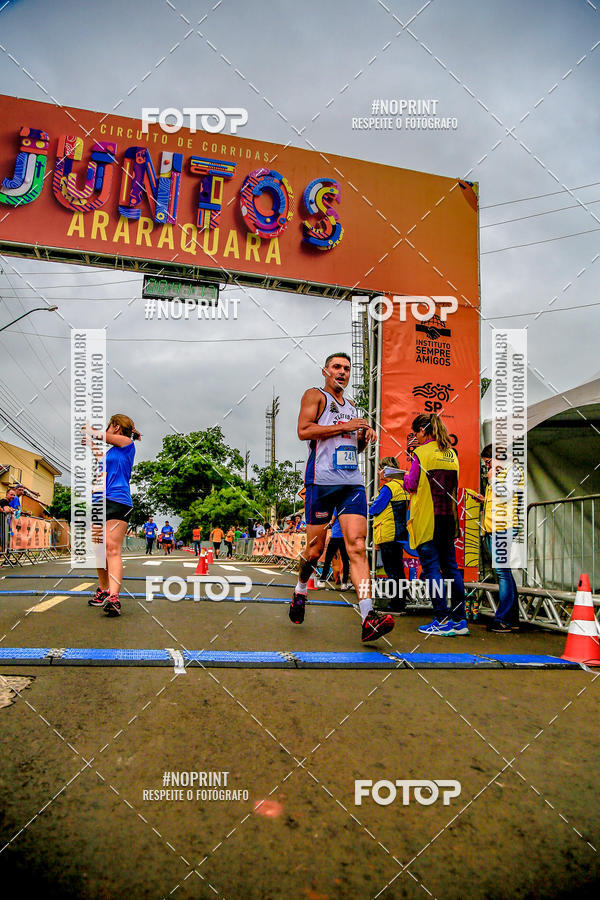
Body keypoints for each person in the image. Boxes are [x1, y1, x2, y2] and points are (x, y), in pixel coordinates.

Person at [291, 351, 394, 642]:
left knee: (358, 547)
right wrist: (345, 427)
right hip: (320, 483)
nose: (342, 372)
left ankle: (368, 616)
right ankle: (300, 589)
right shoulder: (316, 396)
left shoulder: (352, 407)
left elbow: (350, 448)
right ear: (325, 371)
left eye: (347, 368)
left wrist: (360, 439)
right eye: (336, 367)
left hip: (351, 484)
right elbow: (304, 430)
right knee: (314, 550)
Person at [403, 413, 468, 636]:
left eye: (416, 433)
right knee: (452, 568)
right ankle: (460, 620)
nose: (416, 438)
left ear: (423, 430)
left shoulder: (421, 454)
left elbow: (411, 484)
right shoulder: (452, 454)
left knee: (432, 569)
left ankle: (441, 619)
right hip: (448, 518)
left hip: (427, 520)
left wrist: (402, 477)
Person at [84, 414, 140, 617]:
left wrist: (90, 430)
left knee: (111, 548)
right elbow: (100, 455)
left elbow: (101, 437)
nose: (107, 429)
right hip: (101, 500)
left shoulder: (127, 444)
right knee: (99, 549)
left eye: (109, 426)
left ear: (116, 427)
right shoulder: (112, 452)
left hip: (118, 500)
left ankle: (114, 598)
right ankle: (103, 590)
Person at [474, 444, 524, 633]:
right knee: (504, 573)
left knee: (503, 573)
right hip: (493, 528)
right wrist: (484, 500)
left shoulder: (513, 470)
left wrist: (492, 481)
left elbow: (506, 495)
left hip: (503, 527)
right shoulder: (503, 472)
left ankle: (503, 619)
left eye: (488, 462)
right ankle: (512, 619)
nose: (487, 467)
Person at [369, 456, 416, 613]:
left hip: (387, 533)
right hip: (400, 533)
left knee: (392, 571)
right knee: (398, 570)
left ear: (386, 470)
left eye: (381, 469)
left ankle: (395, 605)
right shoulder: (404, 486)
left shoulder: (388, 488)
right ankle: (400, 602)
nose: (379, 473)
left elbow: (374, 509)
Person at [316, 510, 351, 590]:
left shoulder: (336, 508)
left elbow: (331, 521)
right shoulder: (347, 508)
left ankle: (322, 581)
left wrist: (329, 524)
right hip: (344, 537)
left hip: (335, 536)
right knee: (345, 560)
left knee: (328, 559)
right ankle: (344, 583)